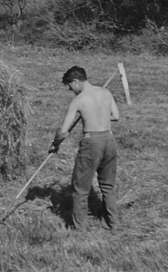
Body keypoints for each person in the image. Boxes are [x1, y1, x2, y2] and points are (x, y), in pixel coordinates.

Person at [50, 65, 120, 230]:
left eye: (69, 86)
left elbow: (63, 131)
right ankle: (113, 223)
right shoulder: (106, 93)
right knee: (108, 186)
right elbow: (116, 116)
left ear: (75, 81)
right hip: (109, 140)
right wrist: (97, 114)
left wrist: (55, 145)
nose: (70, 90)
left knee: (80, 188)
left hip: (92, 144)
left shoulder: (78, 100)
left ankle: (79, 228)